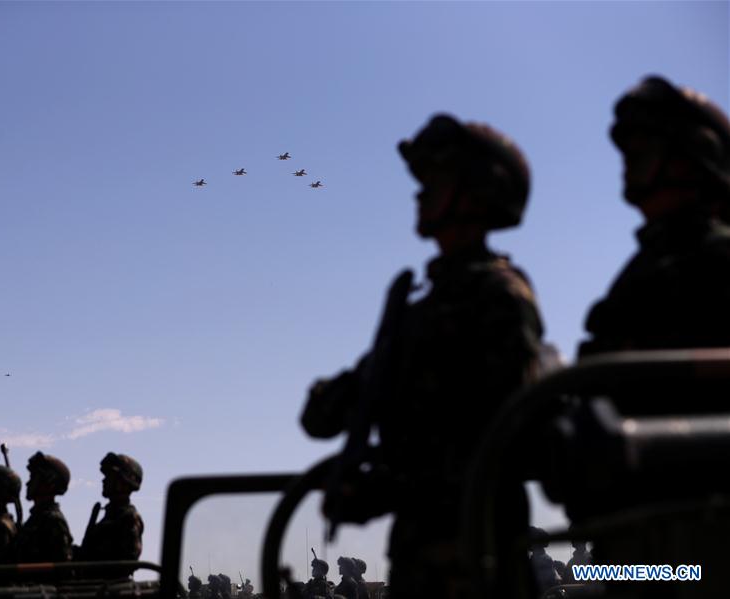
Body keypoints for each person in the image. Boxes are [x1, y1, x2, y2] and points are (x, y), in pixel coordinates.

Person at [301, 114, 543, 598]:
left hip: (480, 554)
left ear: (477, 195)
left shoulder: (498, 297)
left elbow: (499, 438)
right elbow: (329, 412)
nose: (419, 195)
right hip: (419, 556)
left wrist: (386, 487)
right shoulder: (421, 307)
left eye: (437, 182)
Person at [579, 75, 730, 360]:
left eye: (644, 149)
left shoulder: (717, 259)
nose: (628, 160)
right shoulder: (650, 263)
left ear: (693, 159)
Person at [77, 453, 144, 577]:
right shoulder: (110, 515)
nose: (104, 480)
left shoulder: (129, 517)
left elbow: (127, 562)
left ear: (124, 481)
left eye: (110, 476)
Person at [13, 452, 73, 563]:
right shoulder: (37, 518)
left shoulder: (53, 521)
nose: (28, 483)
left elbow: (62, 568)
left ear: (50, 481)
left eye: (33, 477)